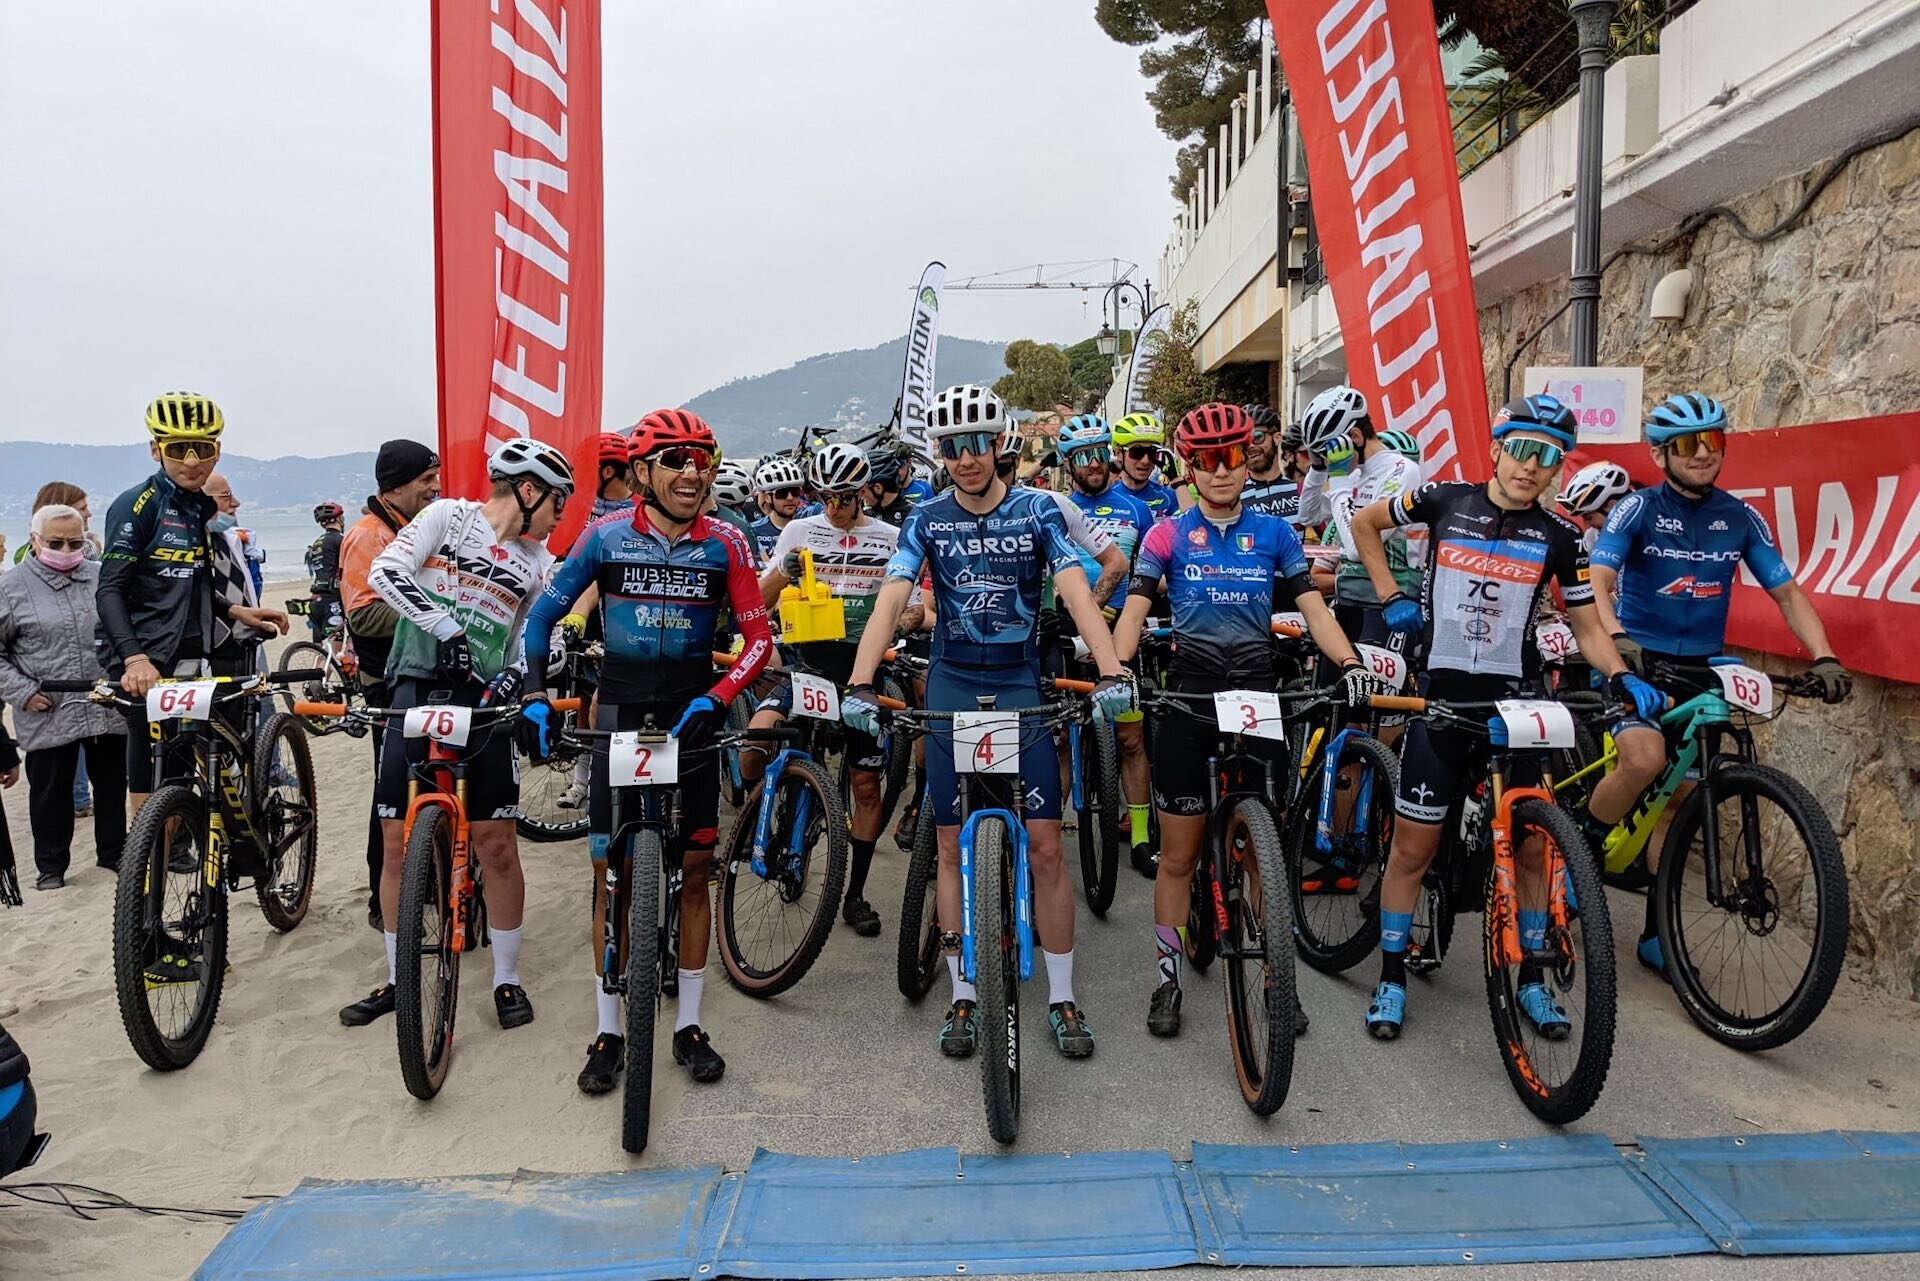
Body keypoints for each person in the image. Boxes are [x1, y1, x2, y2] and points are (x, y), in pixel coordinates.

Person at [1346, 393, 1668, 1041]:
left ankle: (1530, 980)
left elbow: (1585, 621)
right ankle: (1391, 975)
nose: (1530, 465)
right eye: (1520, 448)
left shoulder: (1560, 537)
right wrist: (1390, 595)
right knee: (1413, 851)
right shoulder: (1443, 500)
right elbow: (1364, 526)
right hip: (1442, 703)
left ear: (1556, 468)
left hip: (1516, 707)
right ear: (1497, 447)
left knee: (1529, 851)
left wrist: (1621, 674)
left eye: (1546, 456)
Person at [842, 384, 1134, 1062]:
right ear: (941, 453)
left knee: (1047, 848)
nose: (967, 458)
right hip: (951, 684)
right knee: (948, 847)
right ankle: (963, 995)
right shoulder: (926, 518)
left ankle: (1062, 997)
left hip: (1018, 682)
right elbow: (891, 601)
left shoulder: (1038, 511)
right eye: (953, 446)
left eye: (978, 443)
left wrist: (1112, 670)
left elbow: (1075, 592)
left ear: (1000, 444)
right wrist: (860, 680)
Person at [520, 408, 773, 1094]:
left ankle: (690, 1023)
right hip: (622, 712)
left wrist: (719, 696)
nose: (692, 472)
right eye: (675, 460)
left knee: (695, 871)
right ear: (642, 472)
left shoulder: (728, 543)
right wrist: (538, 694)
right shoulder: (603, 538)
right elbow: (542, 617)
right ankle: (608, 1028)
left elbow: (757, 642)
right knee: (609, 871)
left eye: (701, 460)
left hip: (691, 716)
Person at [1114, 404, 1382, 1036]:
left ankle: (1275, 980)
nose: (1219, 471)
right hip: (1190, 698)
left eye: (1230, 456)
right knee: (1178, 857)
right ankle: (1167, 980)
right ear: (1190, 467)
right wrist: (1115, 667)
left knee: (1264, 856)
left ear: (1247, 456)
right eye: (1205, 461)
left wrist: (1347, 662)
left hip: (1259, 698)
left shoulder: (1276, 533)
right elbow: (1133, 609)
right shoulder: (1166, 534)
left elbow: (1315, 609)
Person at [1587, 392, 1850, 972]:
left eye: (1714, 442)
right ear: (1661, 454)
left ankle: (1658, 934)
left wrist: (1825, 655)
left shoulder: (1739, 516)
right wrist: (1617, 641)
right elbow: (1599, 579)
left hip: (1700, 666)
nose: (1703, 453)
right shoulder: (1638, 510)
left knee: (1680, 800)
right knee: (1642, 760)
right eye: (1687, 444)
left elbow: (1787, 593)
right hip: (1636, 660)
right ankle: (1579, 852)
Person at [336, 437, 571, 1032]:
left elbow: (545, 640)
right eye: (556, 504)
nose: (558, 518)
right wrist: (444, 629)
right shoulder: (447, 517)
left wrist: (515, 677)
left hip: (485, 703)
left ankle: (507, 979)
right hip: (413, 685)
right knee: (394, 842)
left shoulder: (541, 564)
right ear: (528, 490)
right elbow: (388, 574)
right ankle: (396, 977)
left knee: (496, 844)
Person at [749, 441, 921, 936]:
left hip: (860, 674)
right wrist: (784, 572)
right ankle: (771, 816)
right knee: (756, 741)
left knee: (866, 785)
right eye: (824, 496)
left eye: (844, 498)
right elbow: (760, 598)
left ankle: (855, 894)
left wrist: (907, 619)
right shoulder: (800, 530)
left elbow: (914, 601)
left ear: (863, 493)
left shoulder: (892, 536)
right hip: (808, 665)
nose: (834, 508)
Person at [97, 392, 286, 819]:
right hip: (142, 663)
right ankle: (148, 877)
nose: (190, 460)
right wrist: (134, 659)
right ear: (155, 450)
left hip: (192, 656)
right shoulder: (136, 505)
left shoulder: (198, 506)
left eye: (201, 448)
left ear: (216, 452)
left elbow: (194, 579)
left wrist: (235, 611)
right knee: (150, 781)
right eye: (177, 448)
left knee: (182, 772)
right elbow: (109, 591)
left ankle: (181, 847)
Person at [338, 439, 443, 929]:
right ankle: (384, 901)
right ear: (396, 485)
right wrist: (433, 611)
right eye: (426, 480)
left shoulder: (411, 526)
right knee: (392, 794)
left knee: (427, 782)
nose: (436, 488)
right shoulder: (367, 534)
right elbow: (362, 616)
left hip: (422, 677)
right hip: (386, 683)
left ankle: (424, 883)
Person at [0, 505, 127, 888]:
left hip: (106, 701)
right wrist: (23, 693)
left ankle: (114, 854)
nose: (67, 549)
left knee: (111, 784)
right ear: (34, 540)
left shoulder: (103, 576)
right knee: (50, 790)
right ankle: (51, 867)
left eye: (75, 541)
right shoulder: (11, 586)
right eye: (56, 542)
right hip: (47, 706)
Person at [1056, 415, 1157, 878]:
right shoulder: (1054, 509)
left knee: (1131, 737)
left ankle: (1139, 836)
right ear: (1068, 463)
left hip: (1120, 631)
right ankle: (1048, 837)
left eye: (1100, 453)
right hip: (1067, 629)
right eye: (1083, 456)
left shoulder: (1138, 509)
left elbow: (1152, 571)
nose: (1094, 464)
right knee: (1058, 742)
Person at [1295, 386, 1423, 661]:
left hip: (1387, 608)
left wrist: (1339, 482)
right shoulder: (1354, 474)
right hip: (1348, 603)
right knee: (1336, 693)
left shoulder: (1402, 471)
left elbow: (1356, 547)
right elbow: (1307, 516)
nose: (1330, 460)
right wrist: (1318, 469)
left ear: (1355, 436)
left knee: (1377, 701)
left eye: (1328, 451)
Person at [1239, 404, 1304, 521]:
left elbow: (1329, 535)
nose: (1250, 446)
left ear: (1277, 438)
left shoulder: (1301, 492)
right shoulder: (1236, 499)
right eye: (1244, 442)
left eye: (1257, 437)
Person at [1555, 460, 1634, 553]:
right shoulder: (1592, 537)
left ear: (1612, 506)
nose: (1587, 526)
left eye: (1589, 518)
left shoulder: (1651, 525)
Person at [1111, 413, 1180, 518]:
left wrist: (1177, 481)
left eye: (1152, 452)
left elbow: (1197, 529)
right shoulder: (1104, 497)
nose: (1146, 461)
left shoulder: (1169, 497)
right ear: (1118, 453)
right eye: (1137, 452)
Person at [750, 456, 808, 559]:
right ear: (768, 497)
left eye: (795, 492)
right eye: (782, 493)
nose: (790, 498)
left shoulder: (810, 526)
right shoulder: (753, 532)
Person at [305, 502, 346, 643]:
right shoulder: (340, 540)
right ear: (339, 519)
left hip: (315, 599)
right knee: (334, 653)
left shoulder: (318, 542)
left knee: (320, 651)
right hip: (332, 599)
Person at [591, 431, 636, 521]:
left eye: (588, 469)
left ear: (608, 472)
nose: (582, 476)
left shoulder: (641, 512)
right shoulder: (579, 501)